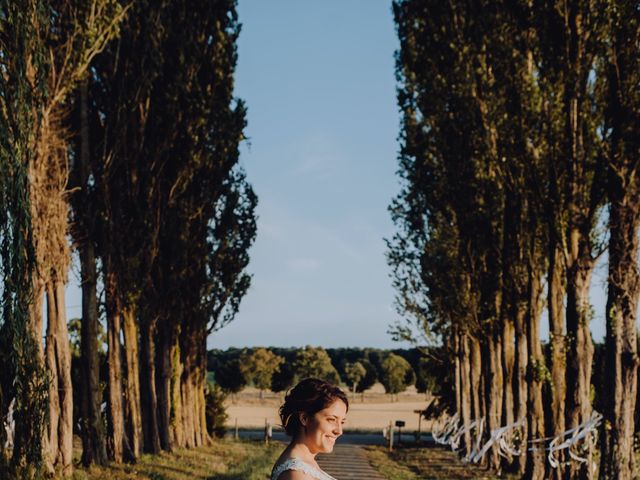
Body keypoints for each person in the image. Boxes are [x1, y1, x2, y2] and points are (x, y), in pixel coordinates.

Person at [271, 378, 349, 480]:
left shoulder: (305, 464)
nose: (339, 431)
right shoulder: (296, 475)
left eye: (342, 422)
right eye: (331, 419)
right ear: (305, 418)